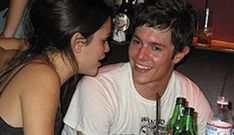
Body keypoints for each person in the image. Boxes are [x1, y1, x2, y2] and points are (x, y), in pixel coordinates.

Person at [62, 0, 213, 134]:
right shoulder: (100, 87)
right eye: (137, 42)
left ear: (179, 54)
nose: (140, 56)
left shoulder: (190, 97)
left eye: (156, 48)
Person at [0, 0, 113, 134]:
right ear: (78, 43)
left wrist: (32, 43)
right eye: (104, 40)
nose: (107, 48)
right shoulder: (42, 78)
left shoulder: (26, 58)